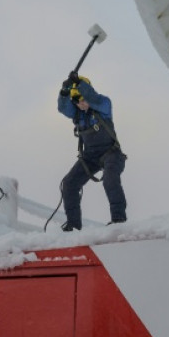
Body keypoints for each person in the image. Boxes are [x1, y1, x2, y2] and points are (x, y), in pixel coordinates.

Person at [57, 72, 127, 231]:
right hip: (90, 157)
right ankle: (73, 225)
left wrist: (79, 83)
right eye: (76, 101)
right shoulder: (77, 114)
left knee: (109, 178)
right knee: (69, 184)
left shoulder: (103, 105)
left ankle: (119, 219)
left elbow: (93, 98)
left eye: (82, 99)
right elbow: (63, 108)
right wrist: (64, 92)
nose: (80, 103)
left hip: (111, 153)